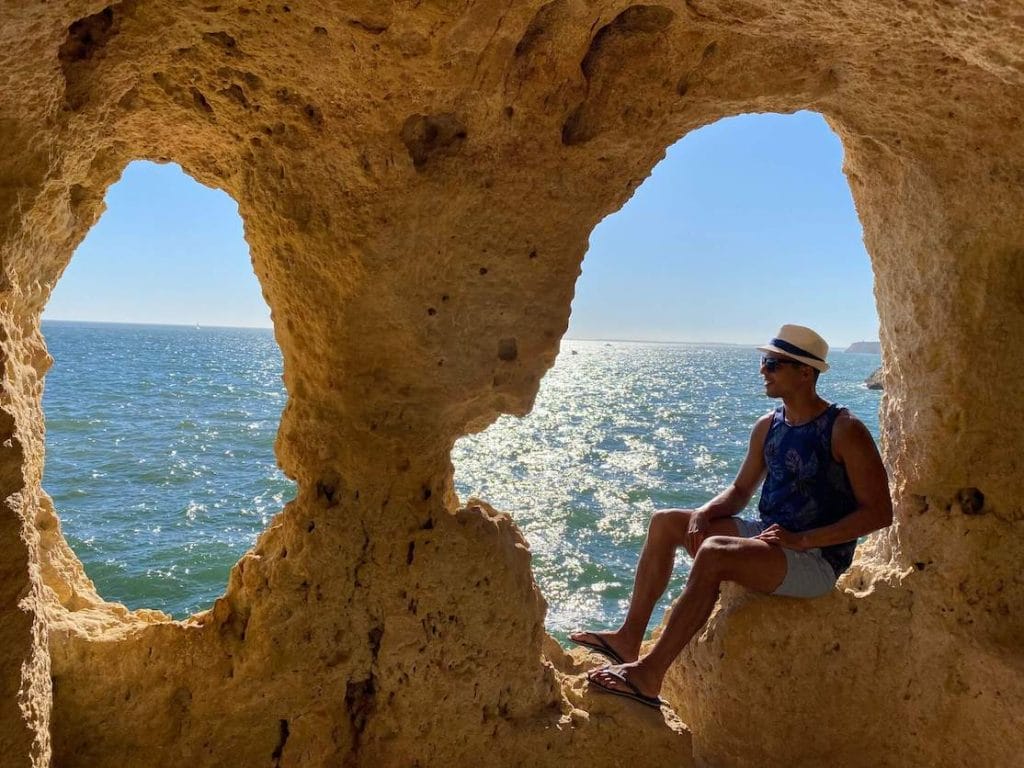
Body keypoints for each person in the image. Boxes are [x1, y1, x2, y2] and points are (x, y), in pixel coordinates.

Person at [570, 324, 893, 709]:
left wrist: (804, 540)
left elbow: (879, 513)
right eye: (763, 362)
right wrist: (705, 512)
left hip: (815, 559)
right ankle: (627, 639)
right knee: (665, 521)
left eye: (773, 364)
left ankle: (649, 676)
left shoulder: (845, 430)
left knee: (715, 552)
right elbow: (740, 492)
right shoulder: (768, 426)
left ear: (805, 373)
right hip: (770, 538)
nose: (763, 371)